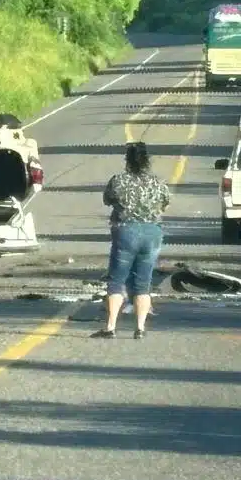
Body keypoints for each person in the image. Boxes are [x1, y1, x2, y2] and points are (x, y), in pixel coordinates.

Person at [94, 141, 171, 339]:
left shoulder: (118, 180)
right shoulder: (158, 182)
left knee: (116, 281)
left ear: (127, 160)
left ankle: (110, 327)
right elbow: (165, 204)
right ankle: (140, 328)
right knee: (143, 283)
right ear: (147, 161)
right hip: (151, 232)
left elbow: (108, 200)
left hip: (126, 231)